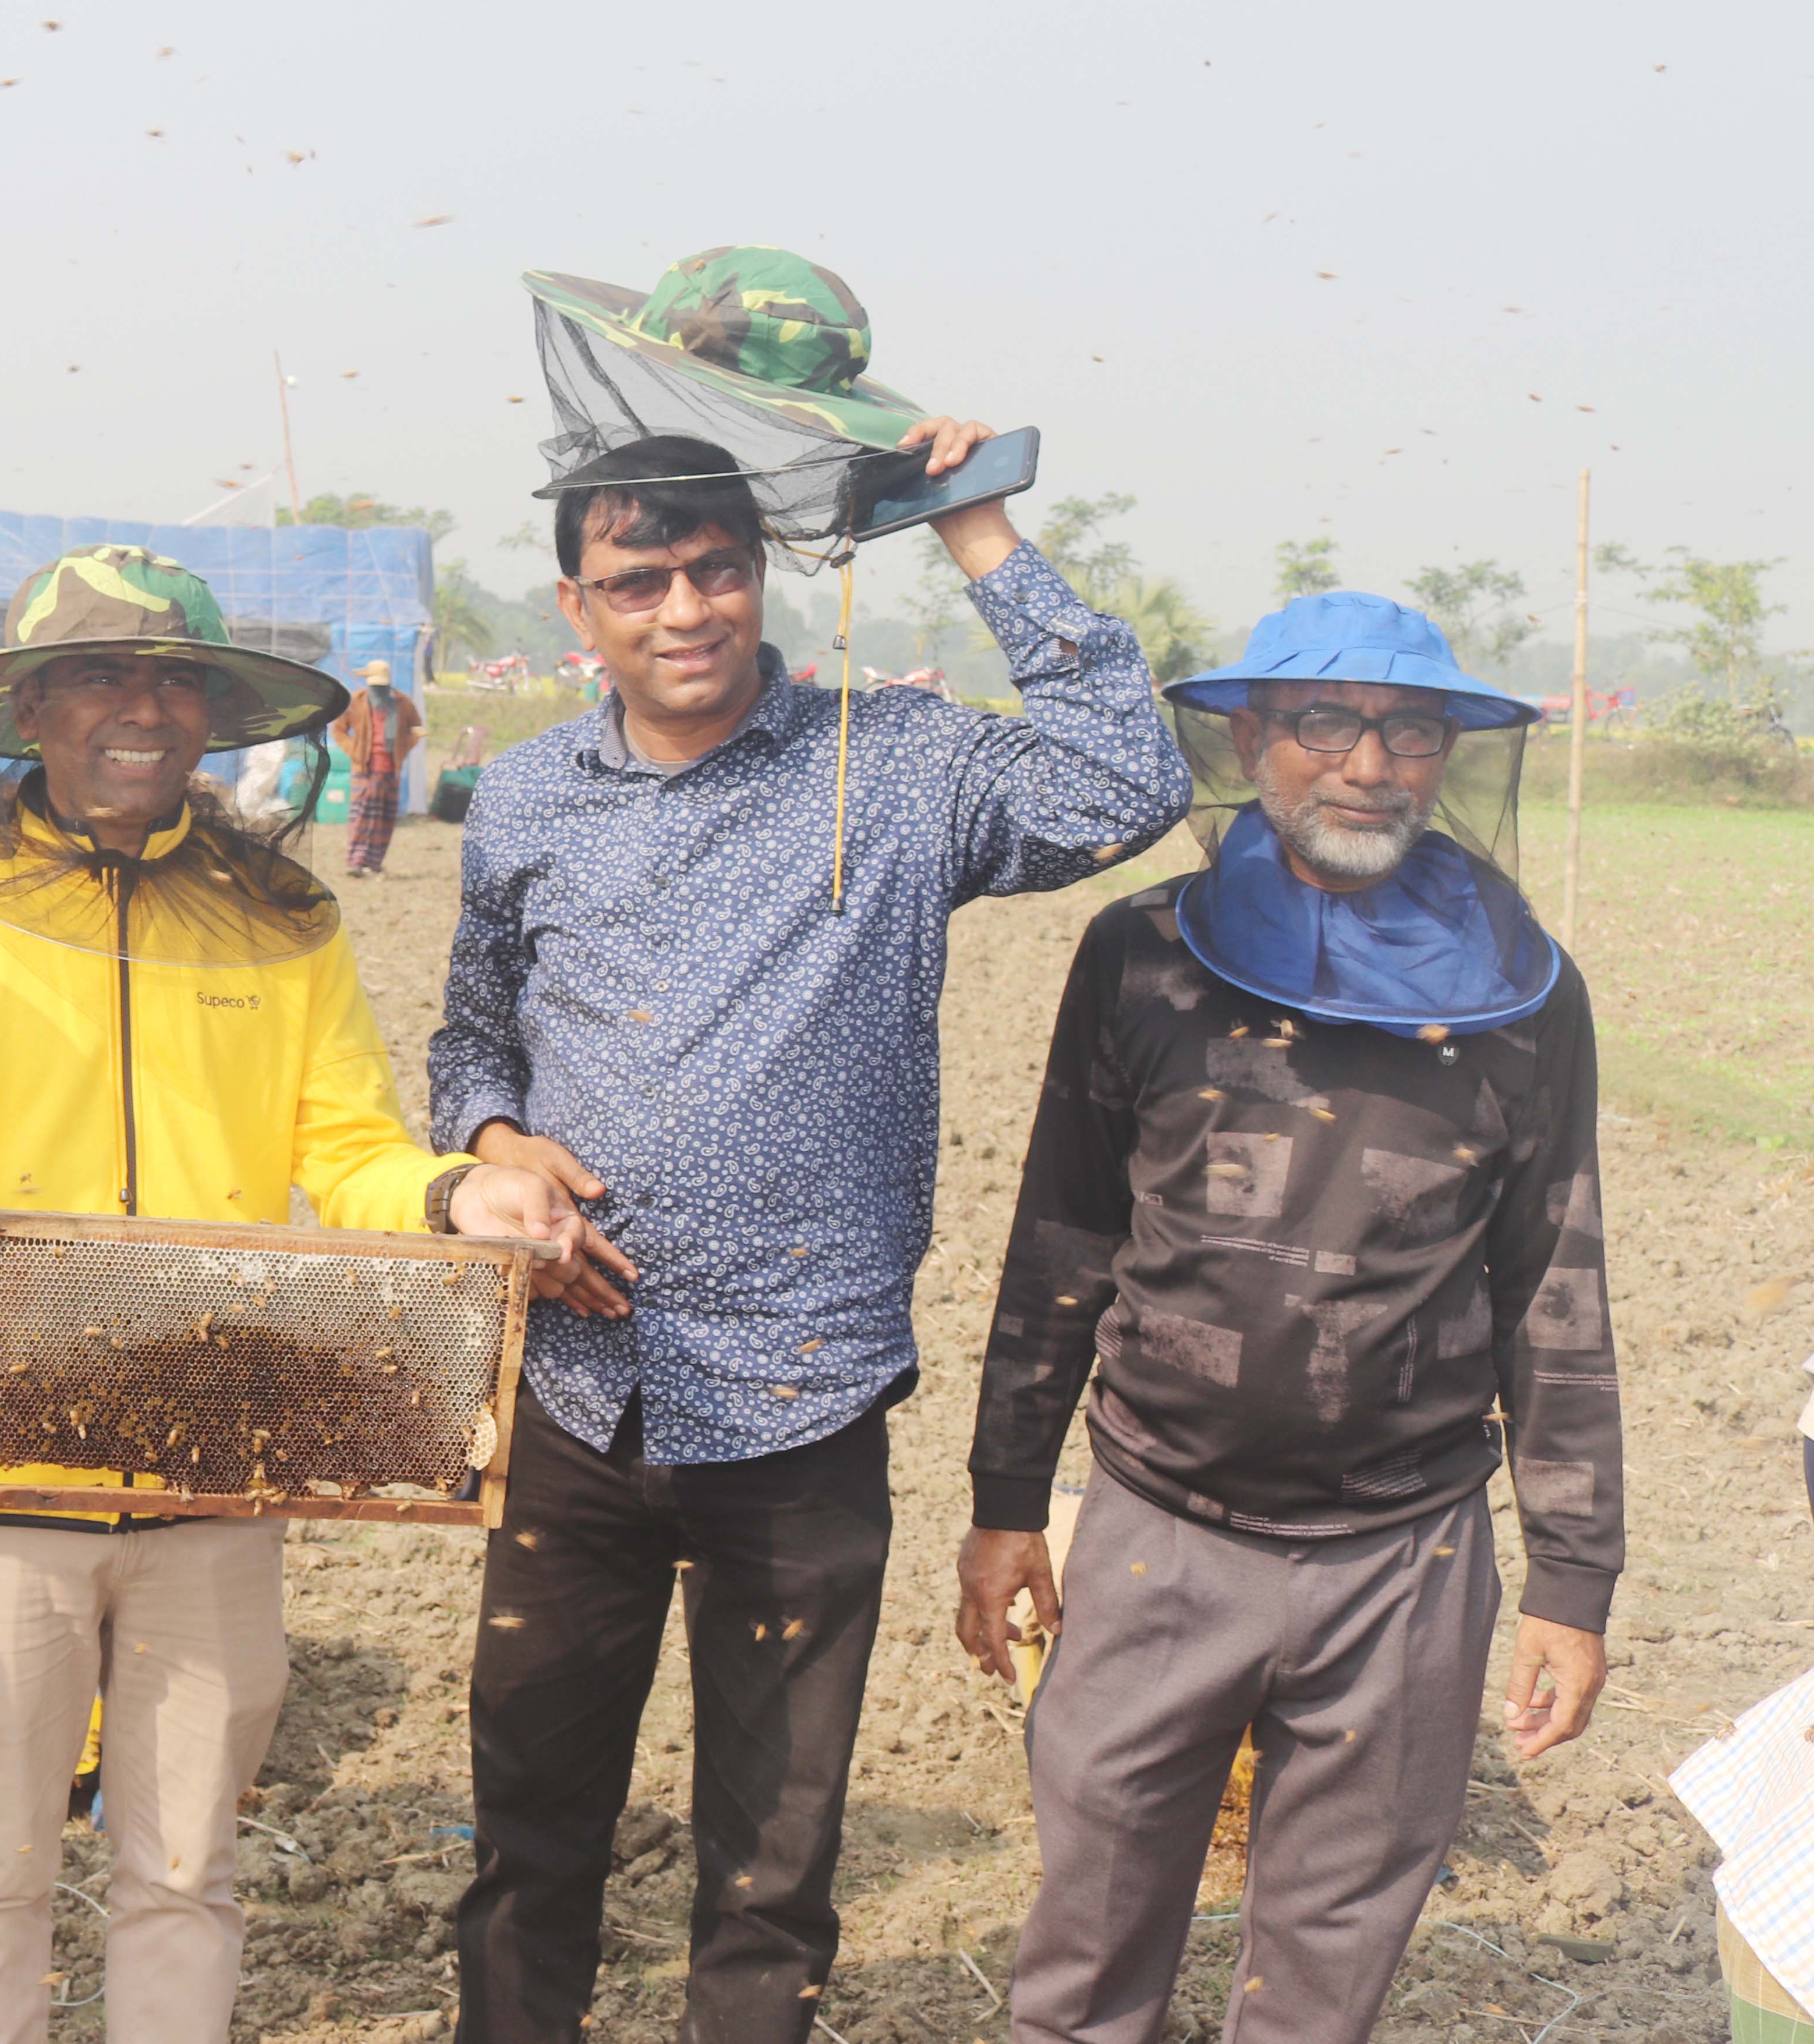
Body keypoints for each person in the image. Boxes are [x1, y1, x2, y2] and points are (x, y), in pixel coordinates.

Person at [430, 356, 1191, 2035]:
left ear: (763, 575)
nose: (684, 608)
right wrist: (490, 1148)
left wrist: (980, 527)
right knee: (531, 1832)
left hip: (801, 1404)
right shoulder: (535, 796)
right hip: (574, 1390)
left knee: (774, 1869)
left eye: (717, 568)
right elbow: (471, 1030)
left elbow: (1128, 783)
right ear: (581, 605)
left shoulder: (895, 767)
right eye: (640, 580)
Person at [0, 544, 618, 2044]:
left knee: (185, 1862)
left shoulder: (281, 919)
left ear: (210, 713)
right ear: (35, 707)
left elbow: (348, 1148)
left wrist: (457, 1192)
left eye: (172, 678)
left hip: (215, 1470)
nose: (140, 708)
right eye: (102, 675)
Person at [958, 594, 1619, 2043]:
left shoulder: (1523, 996)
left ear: (1448, 754)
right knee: (1086, 1943)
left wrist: (1570, 1577)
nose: (1365, 764)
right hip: (1155, 1529)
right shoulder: (1138, 954)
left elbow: (1551, 1282)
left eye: (1406, 729)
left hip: (1406, 1548)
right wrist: (1005, 1494)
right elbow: (1058, 1235)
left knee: (1322, 1972)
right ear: (1251, 738)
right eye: (1323, 723)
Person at [332, 656, 424, 877]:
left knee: (384, 818)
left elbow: (416, 729)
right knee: (362, 817)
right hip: (364, 769)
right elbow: (339, 730)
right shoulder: (356, 702)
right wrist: (354, 751)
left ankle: (374, 863)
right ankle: (355, 862)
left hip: (391, 770)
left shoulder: (403, 703)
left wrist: (405, 746)